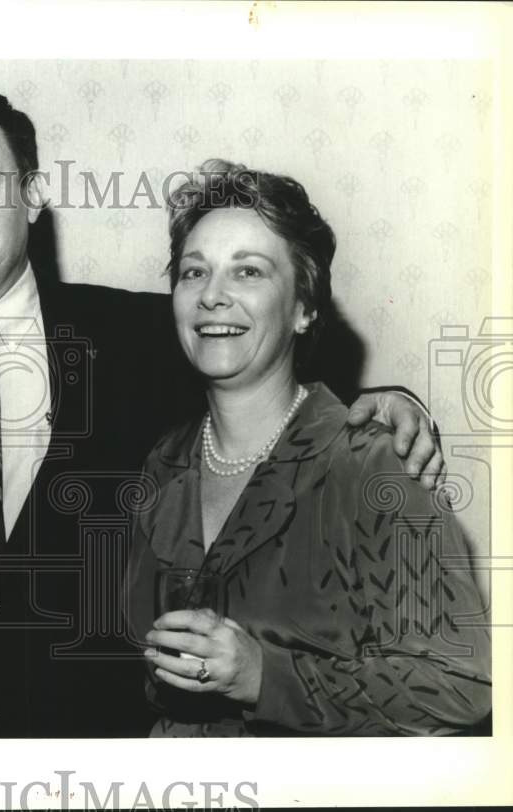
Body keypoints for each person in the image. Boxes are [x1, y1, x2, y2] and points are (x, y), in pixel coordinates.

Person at [0, 86, 442, 737]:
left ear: (34, 194)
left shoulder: (146, 335)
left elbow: (272, 368)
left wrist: (380, 402)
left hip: (107, 767)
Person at [126, 160, 490, 736]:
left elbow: (460, 686)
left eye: (248, 271)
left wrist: (262, 677)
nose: (213, 295)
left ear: (303, 307)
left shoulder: (374, 464)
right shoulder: (164, 460)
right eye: (194, 273)